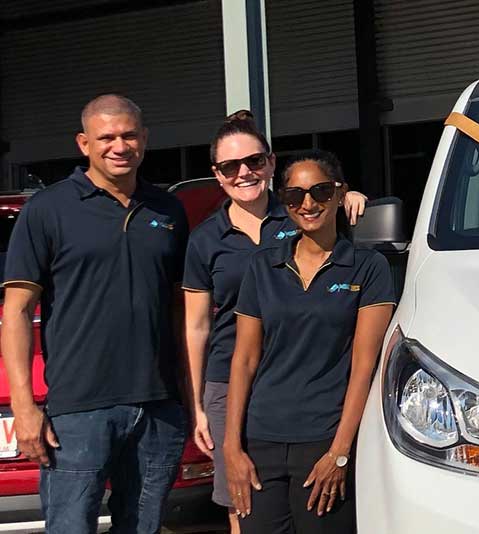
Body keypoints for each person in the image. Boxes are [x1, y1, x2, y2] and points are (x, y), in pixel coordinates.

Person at [1, 94, 189, 533]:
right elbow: (17, 312)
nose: (118, 146)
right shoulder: (48, 210)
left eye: (128, 135)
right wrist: (25, 407)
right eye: (106, 137)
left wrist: (188, 400)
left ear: (144, 140)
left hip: (157, 407)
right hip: (79, 411)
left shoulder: (168, 211)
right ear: (84, 143)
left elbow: (184, 312)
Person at [181, 111, 368, 533]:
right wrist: (196, 404)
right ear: (217, 174)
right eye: (230, 166)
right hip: (231, 379)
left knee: (312, 505)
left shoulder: (301, 213)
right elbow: (196, 327)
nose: (244, 172)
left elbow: (329, 210)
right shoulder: (205, 239)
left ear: (270, 162)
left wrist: (349, 194)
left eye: (254, 161)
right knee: (243, 505)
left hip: (302, 381)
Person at [223, 150, 394, 533]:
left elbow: (364, 368)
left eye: (319, 191)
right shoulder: (261, 265)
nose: (307, 203)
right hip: (261, 439)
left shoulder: (368, 267)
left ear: (339, 193)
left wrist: (339, 453)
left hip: (323, 440)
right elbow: (244, 360)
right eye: (294, 195)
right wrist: (231, 448)